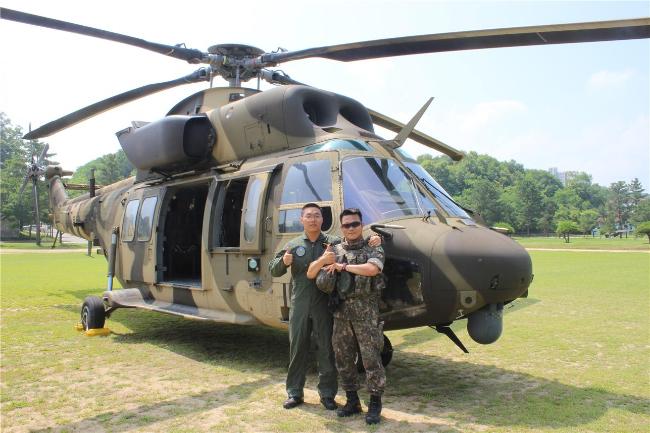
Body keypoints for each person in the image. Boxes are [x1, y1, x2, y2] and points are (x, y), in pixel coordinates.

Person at [269, 203, 380, 411]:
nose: (313, 219)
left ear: (323, 219)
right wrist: (284, 261)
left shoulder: (333, 242)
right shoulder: (291, 244)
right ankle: (294, 392)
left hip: (325, 304)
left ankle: (327, 394)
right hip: (300, 303)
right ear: (301, 220)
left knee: (327, 350)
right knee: (297, 348)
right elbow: (273, 271)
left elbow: (354, 244)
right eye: (308, 216)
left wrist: (374, 239)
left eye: (317, 216)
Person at [312, 208, 386, 424]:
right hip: (341, 315)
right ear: (341, 227)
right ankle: (352, 400)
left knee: (371, 359)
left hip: (366, 314)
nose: (351, 228)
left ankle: (375, 403)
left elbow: (373, 269)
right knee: (343, 359)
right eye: (346, 225)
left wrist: (343, 266)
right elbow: (322, 283)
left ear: (361, 225)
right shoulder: (334, 249)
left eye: (355, 224)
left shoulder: (373, 247)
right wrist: (328, 266)